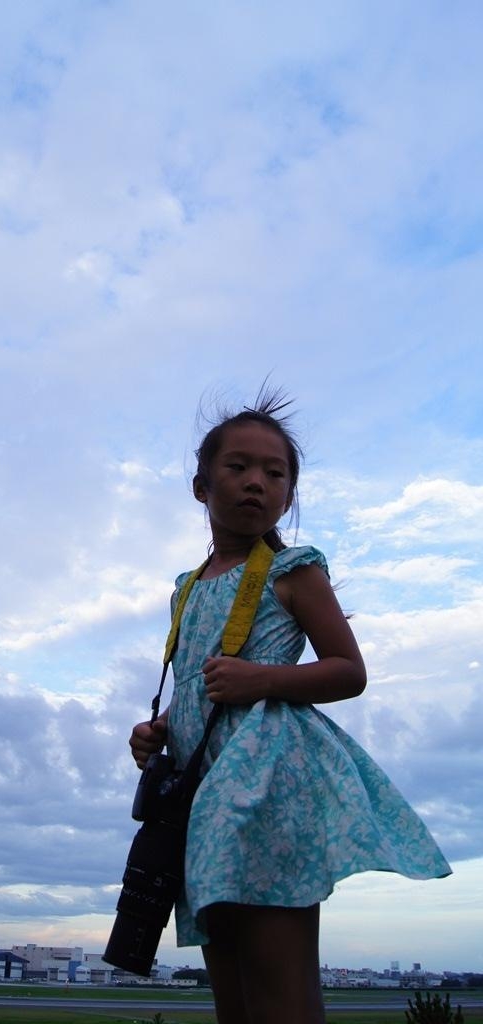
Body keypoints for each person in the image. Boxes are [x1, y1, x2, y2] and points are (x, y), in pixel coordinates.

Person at [129, 389, 451, 1024]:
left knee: (280, 987)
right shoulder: (186, 589)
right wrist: (160, 729)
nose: (257, 482)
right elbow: (202, 683)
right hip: (204, 794)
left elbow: (349, 671)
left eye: (275, 474)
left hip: (268, 785)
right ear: (200, 487)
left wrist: (262, 679)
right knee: (230, 983)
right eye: (238, 467)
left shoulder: (293, 570)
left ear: (288, 495)